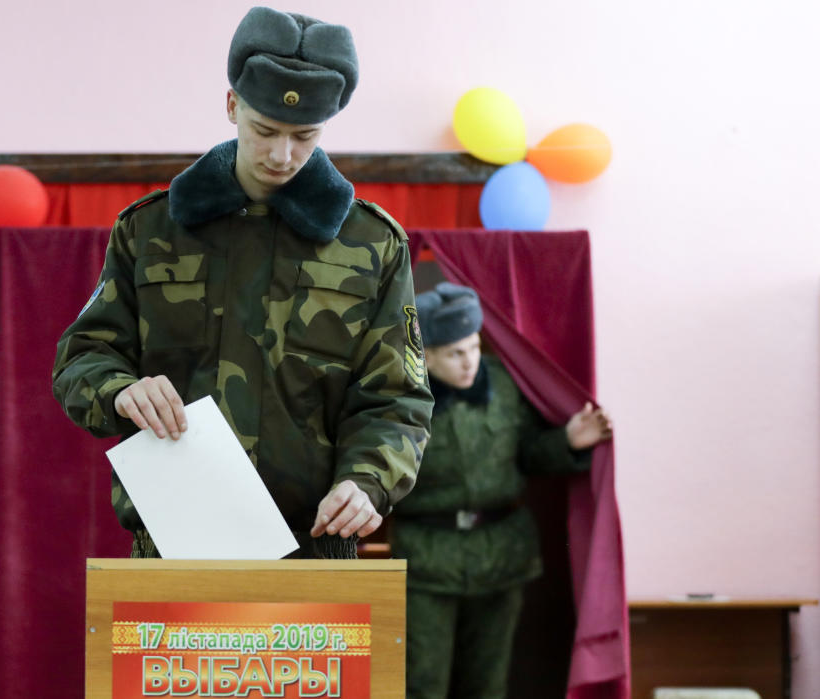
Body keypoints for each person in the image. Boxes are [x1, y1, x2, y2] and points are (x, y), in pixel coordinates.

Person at [51, 7, 433, 559]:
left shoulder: (372, 244)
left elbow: (397, 398)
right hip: (174, 542)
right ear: (232, 105)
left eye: (305, 136)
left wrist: (368, 481)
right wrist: (120, 391)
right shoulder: (152, 228)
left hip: (314, 546)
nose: (282, 156)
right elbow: (80, 360)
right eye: (265, 130)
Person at [389, 282, 613, 698]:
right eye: (455, 353)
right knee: (422, 682)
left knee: (488, 682)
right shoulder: (400, 397)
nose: (469, 361)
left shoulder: (506, 387)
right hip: (427, 559)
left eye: (474, 347)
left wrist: (567, 442)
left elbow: (528, 455)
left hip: (501, 554)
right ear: (429, 354)